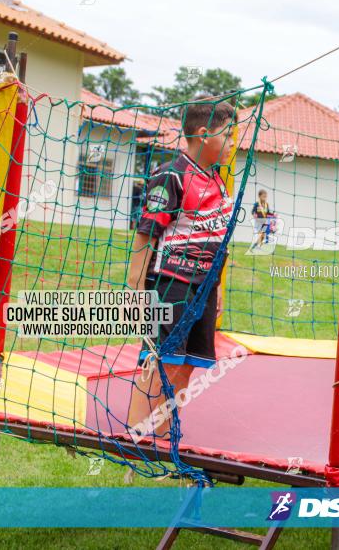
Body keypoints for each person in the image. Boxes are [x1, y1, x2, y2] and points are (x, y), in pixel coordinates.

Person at [126, 96, 236, 440]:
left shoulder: (218, 180)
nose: (233, 144)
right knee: (159, 360)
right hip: (171, 283)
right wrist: (137, 289)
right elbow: (146, 234)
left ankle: (161, 433)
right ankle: (134, 435)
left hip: (204, 288)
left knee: (190, 364)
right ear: (204, 134)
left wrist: (216, 290)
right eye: (228, 136)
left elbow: (219, 238)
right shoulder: (171, 175)